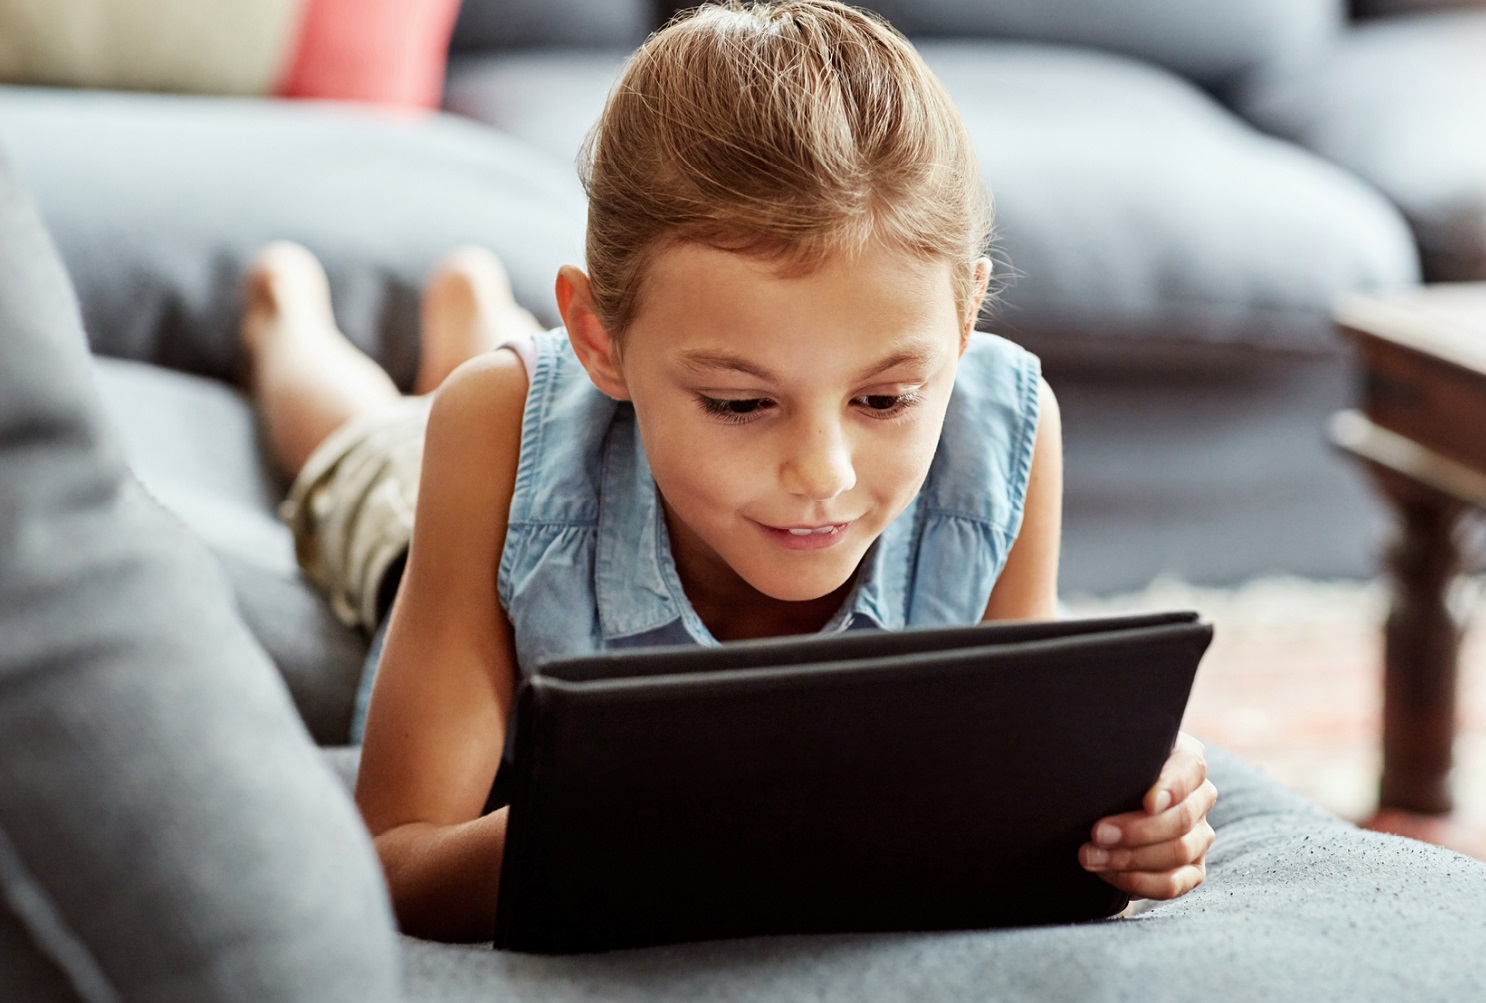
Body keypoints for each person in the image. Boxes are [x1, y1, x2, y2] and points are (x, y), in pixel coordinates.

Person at [243, 0, 1217, 943]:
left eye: (884, 400)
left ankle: (472, 311)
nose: (822, 475)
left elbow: (1019, 753)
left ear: (963, 321)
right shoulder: (494, 441)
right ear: (600, 335)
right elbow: (394, 863)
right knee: (371, 453)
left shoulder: (1009, 434)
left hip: (554, 404)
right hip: (485, 504)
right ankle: (286, 318)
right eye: (742, 404)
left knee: (472, 391)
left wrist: (1122, 822)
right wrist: (662, 827)